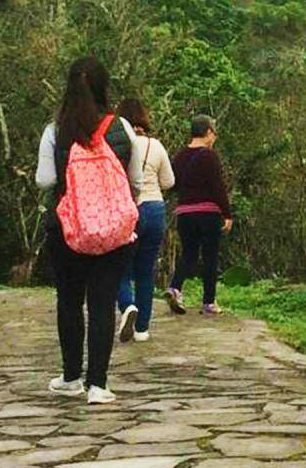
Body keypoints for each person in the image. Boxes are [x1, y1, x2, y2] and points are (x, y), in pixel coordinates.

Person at [35, 56, 145, 405]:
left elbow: (45, 180)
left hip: (68, 230)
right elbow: (136, 182)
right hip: (113, 233)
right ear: (103, 87)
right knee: (102, 302)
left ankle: (71, 377)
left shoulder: (55, 130)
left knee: (69, 301)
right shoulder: (122, 128)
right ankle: (98, 384)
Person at [115, 98, 175, 344]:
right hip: (154, 208)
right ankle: (142, 329)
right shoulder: (156, 146)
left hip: (128, 208)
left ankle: (127, 305)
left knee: (120, 267)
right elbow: (169, 182)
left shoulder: (118, 143)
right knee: (145, 271)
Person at [166, 115, 233, 316]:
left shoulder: (179, 156)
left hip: (185, 213)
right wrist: (227, 213)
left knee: (189, 253)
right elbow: (218, 187)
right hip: (208, 212)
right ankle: (209, 302)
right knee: (210, 256)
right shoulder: (209, 156)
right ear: (208, 132)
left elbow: (173, 184)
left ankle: (175, 288)